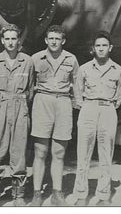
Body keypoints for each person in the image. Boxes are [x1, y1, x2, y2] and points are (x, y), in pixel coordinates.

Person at [72, 31, 121, 206]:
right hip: (88, 108)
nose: (101, 49)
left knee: (106, 154)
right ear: (93, 49)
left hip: (108, 110)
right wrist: (86, 106)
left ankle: (103, 195)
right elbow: (77, 93)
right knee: (83, 153)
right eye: (98, 46)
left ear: (110, 48)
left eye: (104, 46)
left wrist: (107, 107)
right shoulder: (84, 68)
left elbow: (118, 97)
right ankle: (81, 194)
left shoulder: (118, 70)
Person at [0, 24, 34, 206]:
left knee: (19, 151)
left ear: (19, 40)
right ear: (2, 40)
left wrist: (19, 103)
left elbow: (30, 90)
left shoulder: (27, 61)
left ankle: (18, 195)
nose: (11, 42)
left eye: (14, 38)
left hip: (20, 107)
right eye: (8, 39)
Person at [31, 25, 80, 206]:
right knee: (40, 151)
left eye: (57, 39)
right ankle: (37, 193)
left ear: (63, 41)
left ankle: (57, 192)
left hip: (63, 103)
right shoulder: (36, 59)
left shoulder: (71, 59)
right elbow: (29, 84)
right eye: (51, 38)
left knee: (59, 151)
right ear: (46, 40)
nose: (54, 42)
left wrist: (79, 106)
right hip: (42, 101)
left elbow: (77, 84)